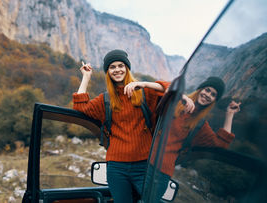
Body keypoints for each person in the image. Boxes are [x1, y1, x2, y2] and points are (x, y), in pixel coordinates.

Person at [73, 49, 170, 203]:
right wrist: (86, 77)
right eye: (112, 67)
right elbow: (80, 107)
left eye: (121, 65)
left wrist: (143, 83)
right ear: (108, 72)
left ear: (127, 68)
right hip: (116, 168)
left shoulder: (145, 93)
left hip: (145, 165)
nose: (117, 69)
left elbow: (171, 89)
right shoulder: (105, 100)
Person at [146, 76, 241, 201]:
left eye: (213, 95)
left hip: (162, 173)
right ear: (200, 89)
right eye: (207, 90)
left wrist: (229, 115)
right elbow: (158, 92)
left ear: (214, 100)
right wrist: (181, 95)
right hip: (143, 161)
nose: (208, 95)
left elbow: (220, 144)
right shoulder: (176, 103)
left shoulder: (200, 125)